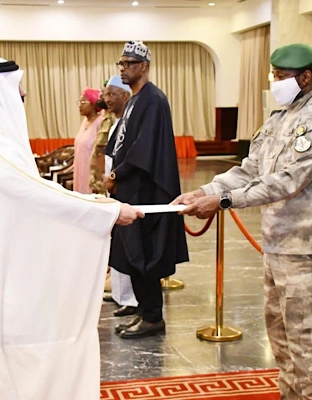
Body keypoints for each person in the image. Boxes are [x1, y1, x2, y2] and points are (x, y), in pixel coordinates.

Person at [0, 57, 144, 400]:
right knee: (17, 352)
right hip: (2, 274)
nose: (23, 93)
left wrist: (95, 205)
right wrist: (107, 211)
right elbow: (36, 195)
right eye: (16, 87)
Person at [173, 43, 312, 399]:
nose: (275, 83)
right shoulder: (279, 119)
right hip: (276, 243)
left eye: (281, 76)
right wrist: (204, 190)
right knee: (280, 333)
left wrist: (223, 201)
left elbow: (287, 182)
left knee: (305, 338)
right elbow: (250, 170)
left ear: (306, 77)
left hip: (305, 247)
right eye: (273, 75)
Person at [104, 41, 189, 339]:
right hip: (131, 191)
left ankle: (153, 317)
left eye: (128, 63)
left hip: (146, 192)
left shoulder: (153, 99)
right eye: (121, 63)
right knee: (133, 255)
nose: (123, 68)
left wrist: (116, 174)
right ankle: (143, 310)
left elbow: (144, 149)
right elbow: (121, 142)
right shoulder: (135, 100)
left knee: (145, 255)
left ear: (144, 66)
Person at [93, 75, 138, 317]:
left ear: (125, 96)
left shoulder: (131, 124)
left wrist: (114, 179)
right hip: (113, 190)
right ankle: (121, 293)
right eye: (105, 94)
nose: (106, 99)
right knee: (117, 243)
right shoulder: (114, 125)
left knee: (129, 244)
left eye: (112, 94)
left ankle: (131, 298)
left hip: (126, 191)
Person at [73, 88, 103, 194]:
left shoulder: (100, 122)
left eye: (83, 102)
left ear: (93, 104)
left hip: (91, 173)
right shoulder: (85, 121)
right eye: (79, 102)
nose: (80, 105)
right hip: (79, 170)